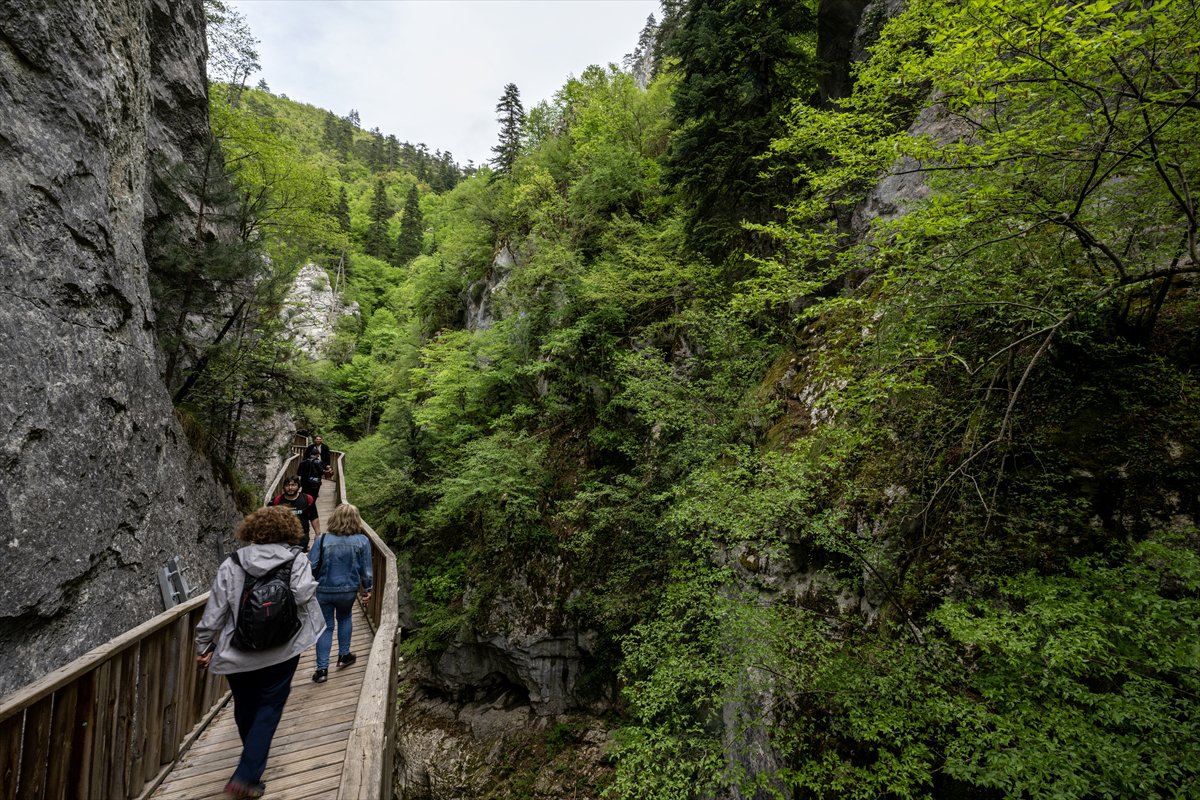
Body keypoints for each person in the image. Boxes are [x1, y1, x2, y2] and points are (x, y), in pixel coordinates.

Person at [195, 506, 324, 799]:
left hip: (238, 651)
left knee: (245, 705)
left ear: (252, 531)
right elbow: (304, 594)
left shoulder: (232, 563)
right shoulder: (297, 559)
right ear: (290, 530)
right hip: (283, 648)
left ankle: (250, 766)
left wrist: (204, 645)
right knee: (270, 706)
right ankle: (246, 774)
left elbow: (214, 613)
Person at [308, 503, 373, 683]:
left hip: (323, 590)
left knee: (325, 626)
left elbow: (311, 565)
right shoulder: (362, 541)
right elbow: (366, 571)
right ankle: (344, 655)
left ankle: (322, 670)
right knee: (345, 618)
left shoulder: (322, 540)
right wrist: (367, 589)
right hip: (348, 590)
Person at [269, 476, 319, 550]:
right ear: (283, 487)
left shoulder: (307, 499)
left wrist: (318, 533)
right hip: (282, 539)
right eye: (287, 485)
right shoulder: (277, 501)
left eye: (293, 485)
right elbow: (269, 519)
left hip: (302, 538)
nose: (290, 488)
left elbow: (314, 517)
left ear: (298, 486)